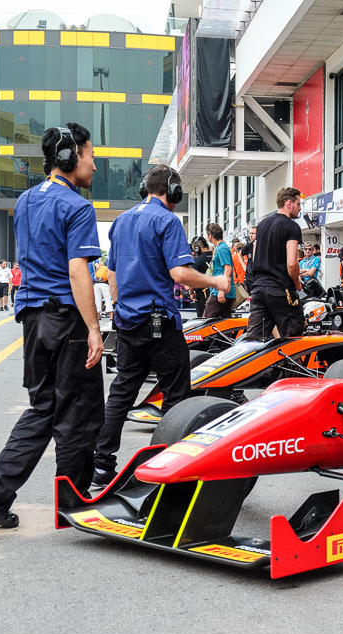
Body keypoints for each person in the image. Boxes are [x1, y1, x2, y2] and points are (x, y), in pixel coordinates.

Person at [0, 123, 104, 528]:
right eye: (90, 156)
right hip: (67, 320)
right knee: (78, 411)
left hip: (32, 319)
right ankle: (74, 504)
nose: (94, 165)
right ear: (70, 157)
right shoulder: (77, 207)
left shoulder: (26, 200)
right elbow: (77, 271)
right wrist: (94, 328)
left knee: (43, 408)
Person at [92, 165, 229, 486]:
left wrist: (120, 307)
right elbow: (179, 274)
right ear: (173, 191)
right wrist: (216, 281)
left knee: (121, 393)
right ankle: (169, 466)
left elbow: (112, 274)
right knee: (176, 396)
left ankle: (101, 466)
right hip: (160, 323)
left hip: (127, 322)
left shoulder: (121, 221)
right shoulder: (167, 221)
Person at [246, 187, 304, 340]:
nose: (300, 208)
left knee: (254, 338)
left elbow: (254, 257)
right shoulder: (292, 227)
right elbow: (291, 263)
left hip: (258, 289)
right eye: (298, 204)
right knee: (293, 336)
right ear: (289, 203)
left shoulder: (262, 225)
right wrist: (297, 283)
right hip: (280, 289)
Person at [204, 223, 234, 318]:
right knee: (223, 323)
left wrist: (221, 290)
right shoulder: (220, 248)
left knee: (206, 321)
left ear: (210, 235)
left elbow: (228, 268)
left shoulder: (222, 248)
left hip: (219, 292)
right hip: (221, 292)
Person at [192, 236, 212, 317]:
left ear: (197, 248)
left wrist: (191, 292)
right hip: (217, 292)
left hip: (202, 295)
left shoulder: (196, 261)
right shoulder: (215, 256)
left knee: (202, 319)